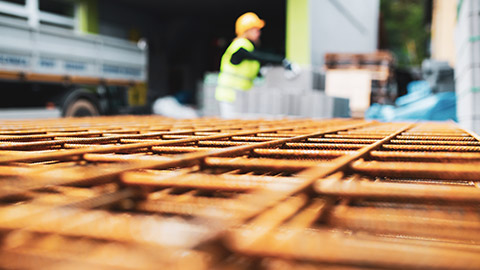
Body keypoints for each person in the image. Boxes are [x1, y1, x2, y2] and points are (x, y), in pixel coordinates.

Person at [215, 12, 297, 118]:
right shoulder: (240, 46)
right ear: (246, 30)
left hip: (240, 96)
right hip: (229, 96)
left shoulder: (248, 47)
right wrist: (282, 60)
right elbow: (259, 56)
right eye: (255, 30)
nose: (258, 33)